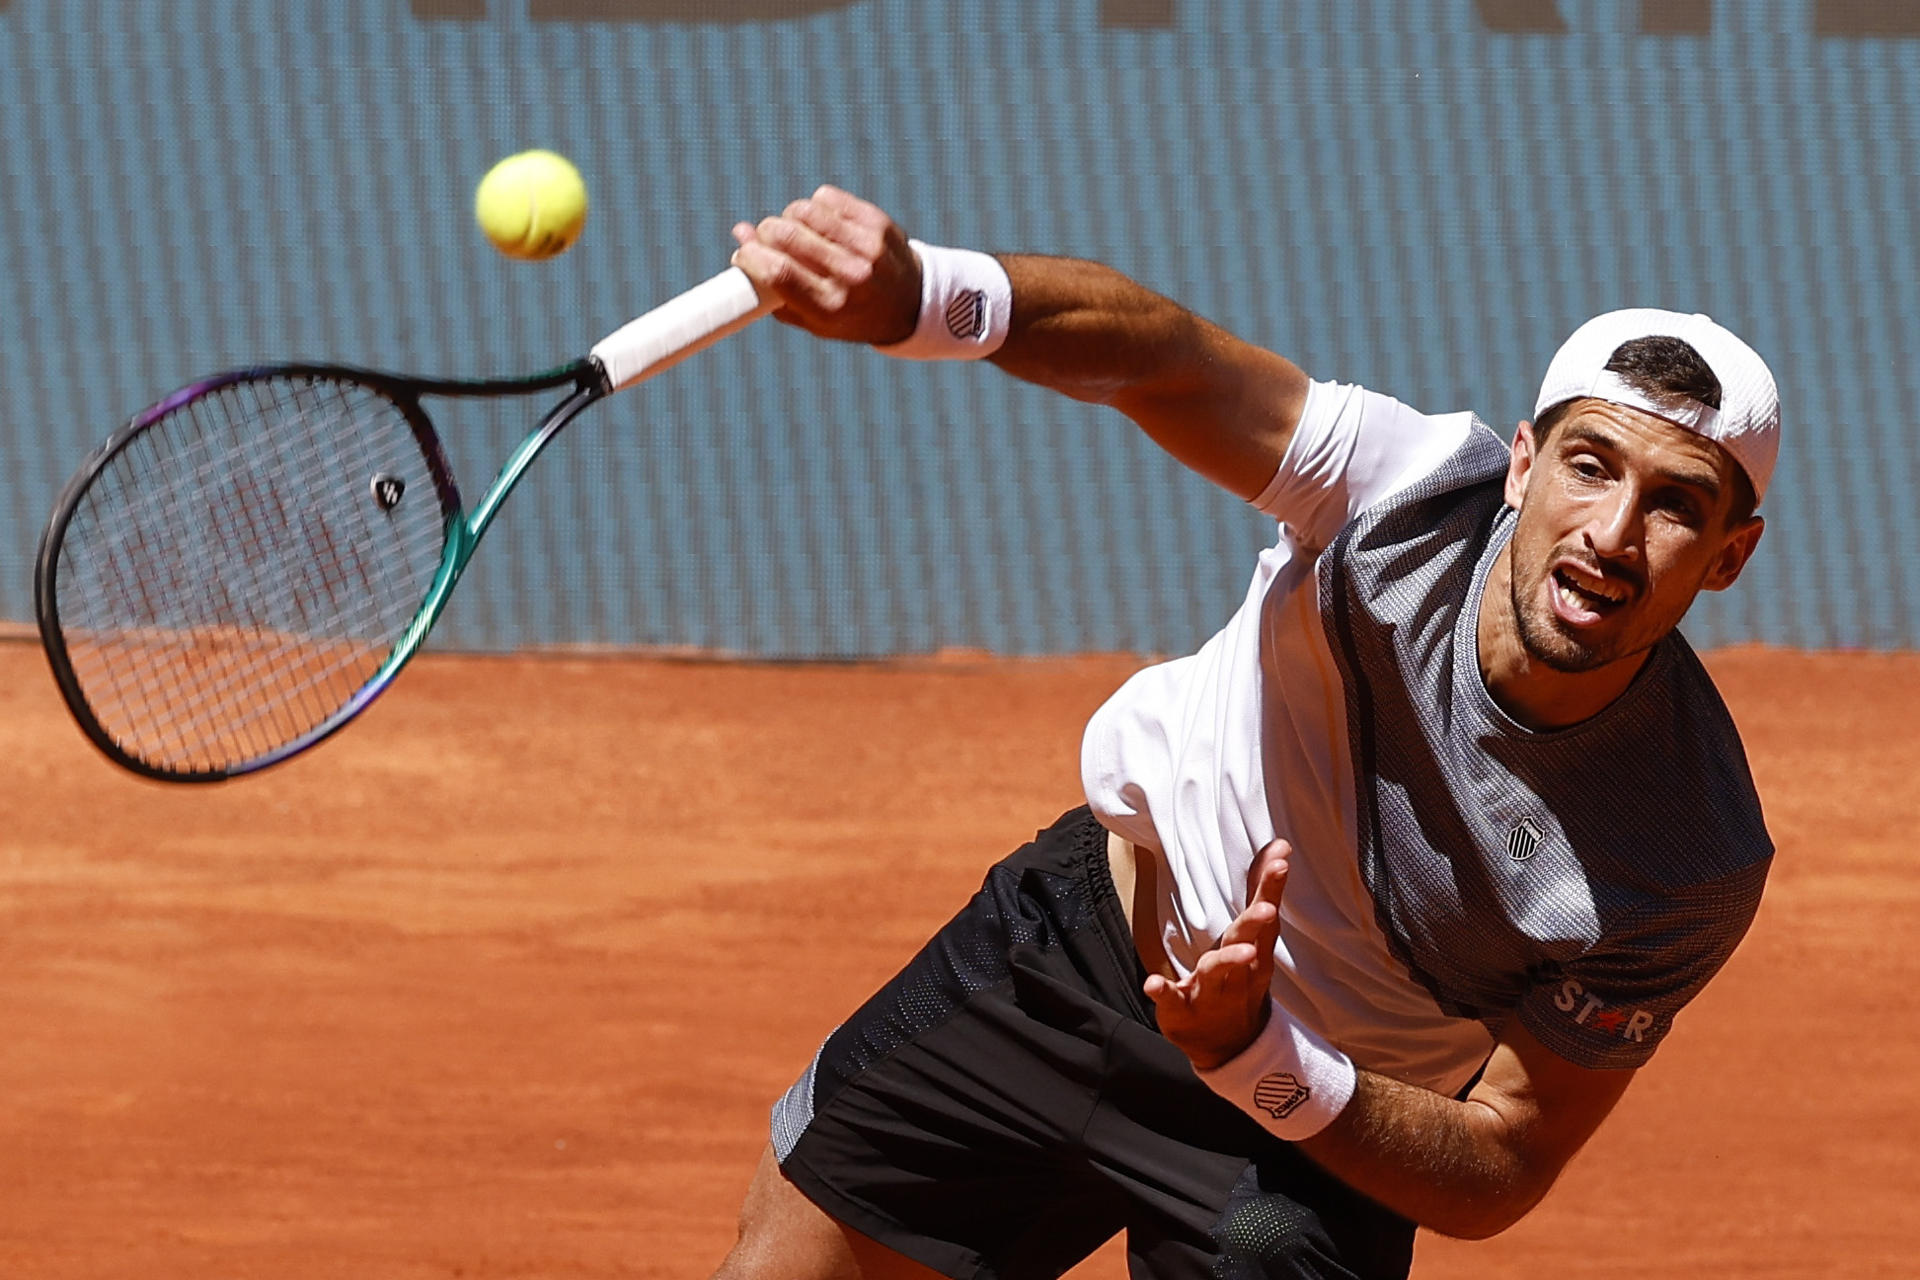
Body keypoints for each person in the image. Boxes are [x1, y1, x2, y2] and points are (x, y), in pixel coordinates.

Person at [712, 186, 1777, 1280]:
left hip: (1319, 1122)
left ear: (1728, 554)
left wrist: (1261, 1058)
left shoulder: (1684, 855)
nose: (1610, 533)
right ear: (1521, 465)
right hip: (1074, 956)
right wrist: (927, 296)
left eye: (1675, 504)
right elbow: (1162, 361)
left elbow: (1508, 1152)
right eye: (1590, 465)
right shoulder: (1398, 491)